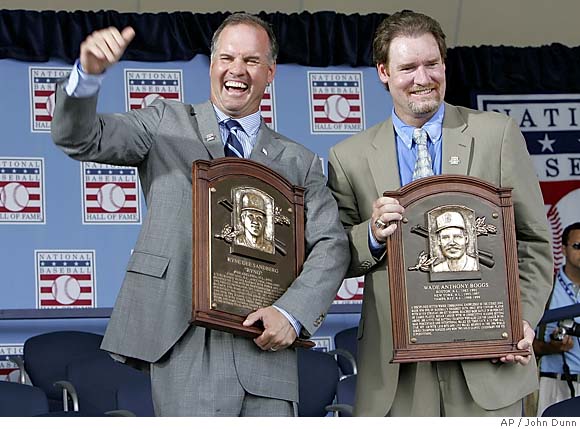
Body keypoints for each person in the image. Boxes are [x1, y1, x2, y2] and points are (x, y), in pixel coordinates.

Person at [51, 13, 349, 416]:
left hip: (268, 347)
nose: (237, 71)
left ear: (271, 72)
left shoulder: (300, 162)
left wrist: (291, 314)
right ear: (211, 65)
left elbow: (331, 244)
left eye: (251, 60)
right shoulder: (163, 123)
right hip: (185, 341)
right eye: (226, 58)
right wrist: (86, 76)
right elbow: (81, 137)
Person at [327, 10, 553, 416]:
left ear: (444, 64)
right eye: (408, 67)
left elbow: (534, 241)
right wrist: (373, 234)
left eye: (432, 64)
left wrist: (523, 318)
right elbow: (334, 253)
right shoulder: (349, 158)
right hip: (397, 373)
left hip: (489, 363)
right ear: (383, 71)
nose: (422, 78)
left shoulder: (496, 134)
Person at [534, 222, 580, 416]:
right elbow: (522, 340)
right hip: (552, 383)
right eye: (578, 246)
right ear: (563, 249)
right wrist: (551, 347)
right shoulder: (544, 288)